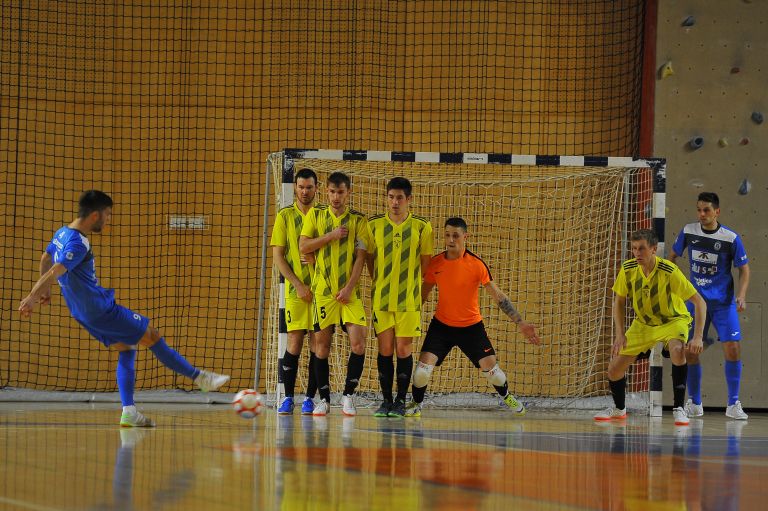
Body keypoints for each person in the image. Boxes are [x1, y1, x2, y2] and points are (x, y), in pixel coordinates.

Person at [18, 190, 229, 427]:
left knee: (127, 348)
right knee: (152, 335)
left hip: (82, 313)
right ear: (95, 215)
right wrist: (32, 297)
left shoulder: (62, 232)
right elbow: (55, 270)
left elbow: (45, 258)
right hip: (100, 310)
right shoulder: (78, 243)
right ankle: (200, 378)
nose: (109, 219)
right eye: (107, 214)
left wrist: (45, 290)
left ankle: (129, 411)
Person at [405, 217, 540, 418]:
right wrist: (407, 318)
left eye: (456, 236)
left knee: (495, 375)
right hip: (441, 327)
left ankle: (507, 397)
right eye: (447, 235)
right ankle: (416, 403)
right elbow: (422, 296)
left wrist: (520, 322)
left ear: (465, 237)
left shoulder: (476, 265)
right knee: (421, 373)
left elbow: (499, 296)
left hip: (471, 328)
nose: (451, 240)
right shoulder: (436, 263)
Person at [594, 228, 706, 426]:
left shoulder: (669, 271)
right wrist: (620, 334)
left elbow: (700, 303)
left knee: (678, 350)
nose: (637, 253)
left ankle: (679, 408)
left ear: (654, 249)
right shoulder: (628, 269)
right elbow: (619, 302)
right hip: (643, 324)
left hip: (672, 321)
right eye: (634, 248)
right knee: (614, 370)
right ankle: (619, 409)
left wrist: (697, 337)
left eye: (642, 248)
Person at [670, 192, 751, 420]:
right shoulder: (688, 231)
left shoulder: (730, 238)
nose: (702, 214)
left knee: (733, 348)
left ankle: (733, 403)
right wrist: (676, 288)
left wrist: (741, 295)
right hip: (696, 302)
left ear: (717, 211)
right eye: (699, 210)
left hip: (723, 303)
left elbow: (744, 269)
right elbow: (672, 258)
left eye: (706, 210)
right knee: (689, 351)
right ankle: (695, 403)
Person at [299, 172, 370, 417]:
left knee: (359, 343)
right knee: (321, 347)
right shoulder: (315, 215)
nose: (336, 197)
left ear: (348, 192)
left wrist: (349, 288)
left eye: (340, 192)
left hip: (350, 293)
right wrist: (331, 235)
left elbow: (361, 258)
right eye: (332, 192)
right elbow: (303, 246)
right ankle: (324, 400)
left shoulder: (359, 220)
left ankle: (348, 396)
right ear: (325, 192)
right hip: (323, 293)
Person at [366, 177, 433, 418]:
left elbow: (426, 265)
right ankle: (386, 401)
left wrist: (411, 288)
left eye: (400, 198)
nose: (395, 202)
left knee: (403, 350)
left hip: (408, 301)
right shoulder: (373, 225)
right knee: (385, 350)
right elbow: (370, 260)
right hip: (382, 300)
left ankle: (400, 401)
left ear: (409, 199)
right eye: (391, 197)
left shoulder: (422, 227)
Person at [271, 167, 320, 415]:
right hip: (296, 292)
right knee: (294, 341)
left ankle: (310, 398)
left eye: (309, 187)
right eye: (301, 187)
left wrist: (316, 261)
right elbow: (278, 257)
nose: (304, 191)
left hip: (322, 292)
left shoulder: (324, 216)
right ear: (295, 189)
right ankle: (288, 397)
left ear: (316, 188)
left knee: (318, 344)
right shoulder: (285, 216)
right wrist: (299, 285)